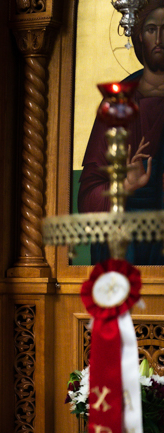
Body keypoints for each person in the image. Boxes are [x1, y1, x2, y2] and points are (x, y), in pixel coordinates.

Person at [78, 0, 164, 264]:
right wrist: (123, 186)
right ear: (139, 35)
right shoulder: (118, 102)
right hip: (125, 248)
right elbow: (87, 200)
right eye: (151, 29)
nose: (159, 38)